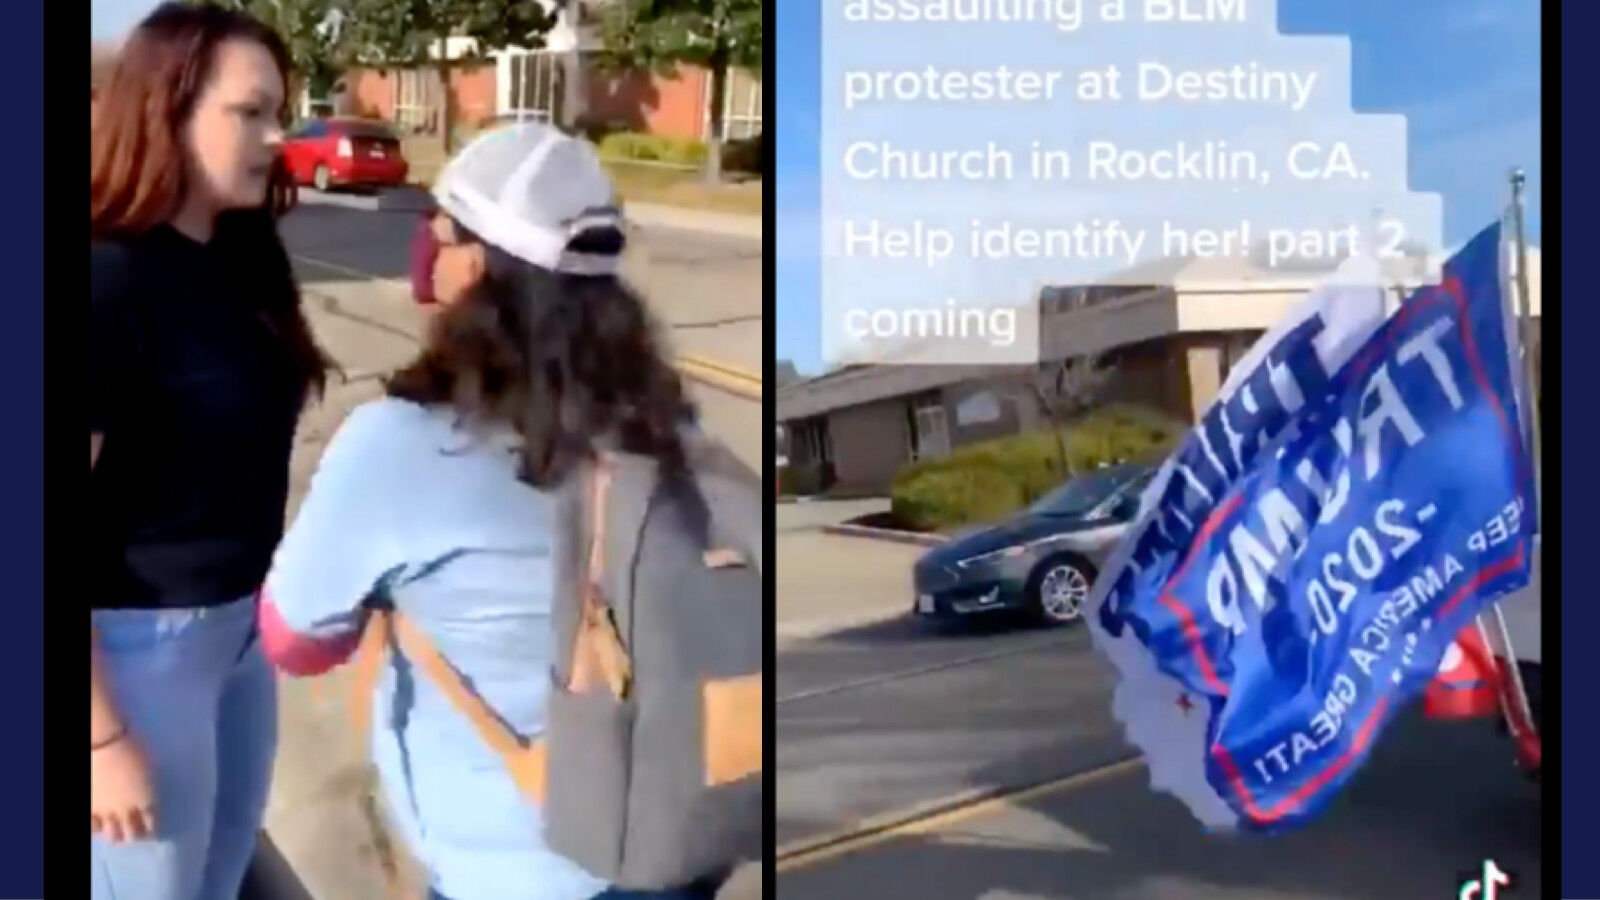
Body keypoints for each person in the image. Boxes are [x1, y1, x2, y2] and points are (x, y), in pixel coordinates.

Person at [257, 124, 727, 900]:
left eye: (436, 231)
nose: (424, 250)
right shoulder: (667, 422)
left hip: (526, 870)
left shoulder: (402, 446)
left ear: (472, 263)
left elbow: (295, 637)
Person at [89, 4, 331, 899]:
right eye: (251, 112)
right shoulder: (107, 279)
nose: (278, 136)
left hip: (239, 642)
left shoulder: (239, 258)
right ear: (166, 109)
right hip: (136, 654)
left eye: (282, 111)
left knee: (220, 879)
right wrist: (99, 740)